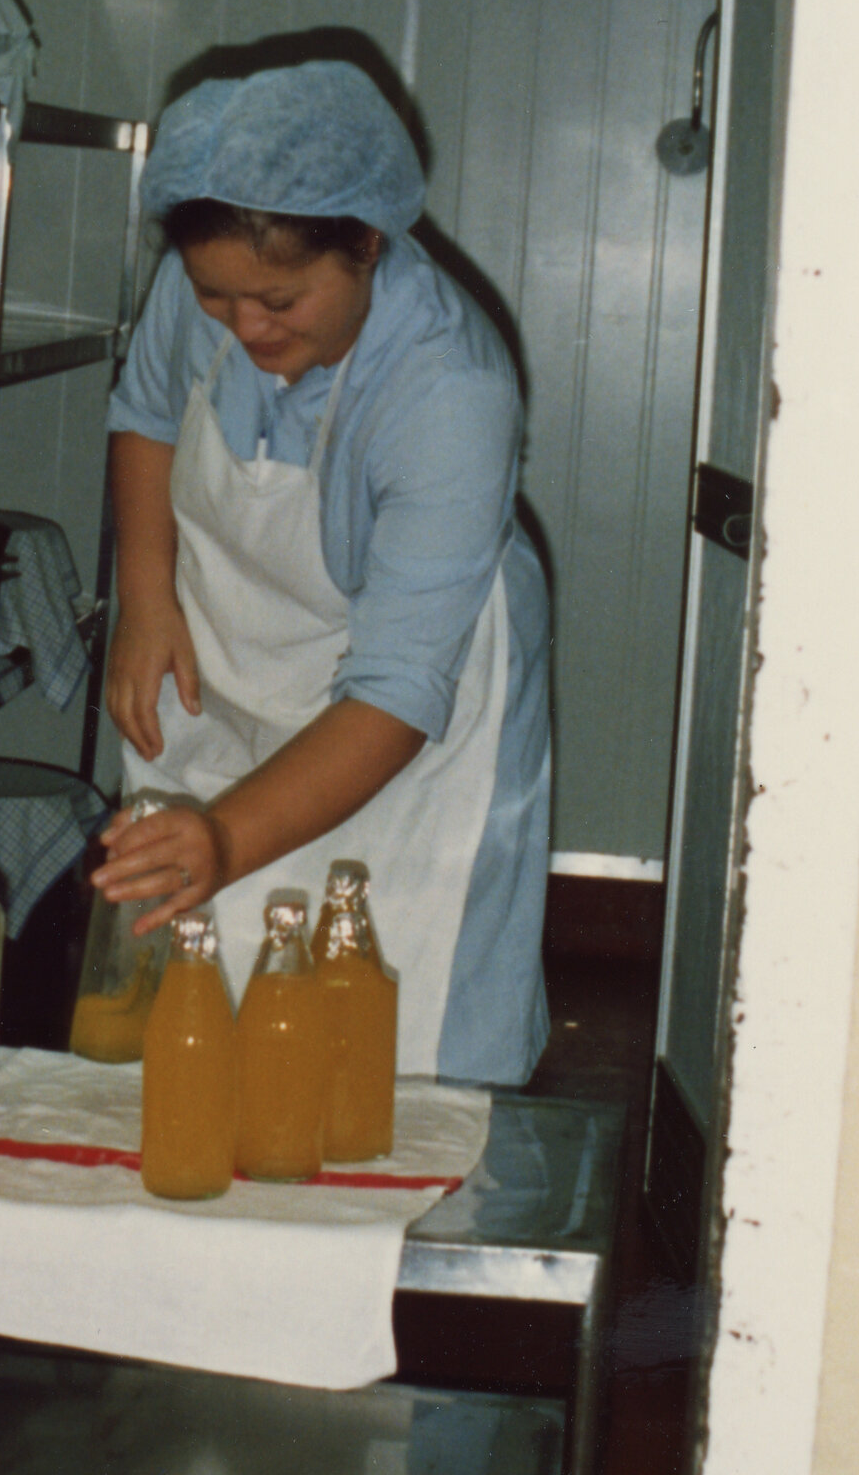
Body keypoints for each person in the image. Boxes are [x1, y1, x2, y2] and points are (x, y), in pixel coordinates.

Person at [92, 59, 549, 1086]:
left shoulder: (448, 389)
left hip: (407, 711)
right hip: (233, 659)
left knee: (383, 1024)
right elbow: (146, 414)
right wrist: (146, 595)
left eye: (279, 300)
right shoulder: (200, 280)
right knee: (195, 1017)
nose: (245, 329)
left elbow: (391, 694)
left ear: (367, 245)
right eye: (217, 297)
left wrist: (222, 835)